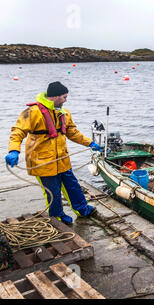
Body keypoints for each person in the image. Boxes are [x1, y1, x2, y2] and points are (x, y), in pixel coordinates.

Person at [5, 81, 103, 225]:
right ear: (55, 97)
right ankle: (57, 217)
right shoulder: (32, 112)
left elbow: (73, 133)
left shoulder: (64, 112)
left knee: (73, 186)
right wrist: (14, 150)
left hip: (62, 159)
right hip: (43, 162)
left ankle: (82, 209)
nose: (66, 100)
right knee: (53, 192)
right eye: (64, 97)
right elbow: (17, 131)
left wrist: (90, 143)